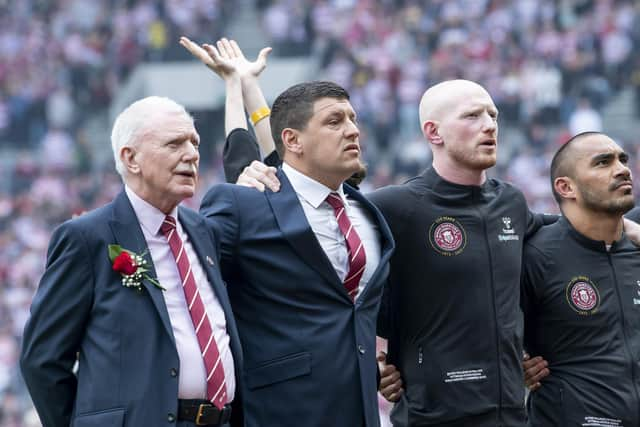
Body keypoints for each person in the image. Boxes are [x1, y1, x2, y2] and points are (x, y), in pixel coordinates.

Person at [182, 38, 395, 427]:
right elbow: (254, 156)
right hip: (280, 412)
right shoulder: (254, 198)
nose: (353, 131)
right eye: (336, 121)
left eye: (353, 119)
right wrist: (237, 86)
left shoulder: (368, 213)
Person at [20, 96, 242, 427]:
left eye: (194, 142)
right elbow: (42, 359)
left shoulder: (203, 231)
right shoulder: (86, 238)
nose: (192, 153)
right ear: (131, 158)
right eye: (174, 143)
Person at [521, 132, 640, 426]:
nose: (623, 168)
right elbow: (483, 334)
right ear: (566, 187)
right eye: (603, 162)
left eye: (622, 159)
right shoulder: (533, 256)